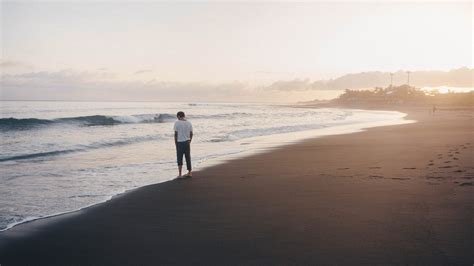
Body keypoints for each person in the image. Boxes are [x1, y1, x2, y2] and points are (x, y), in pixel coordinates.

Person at [174, 111, 193, 177]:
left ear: (179, 116)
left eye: (177, 117)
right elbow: (191, 133)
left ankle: (180, 174)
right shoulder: (189, 123)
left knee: (179, 158)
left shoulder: (177, 123)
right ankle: (190, 172)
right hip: (187, 142)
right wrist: (189, 141)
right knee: (188, 157)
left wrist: (175, 143)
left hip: (180, 142)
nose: (177, 118)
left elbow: (176, 134)